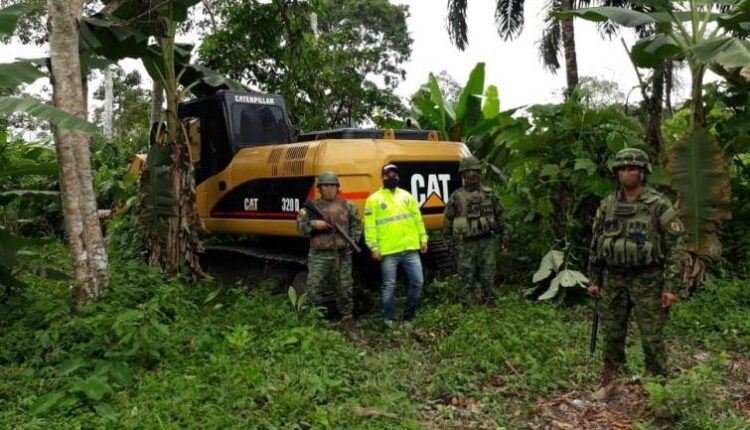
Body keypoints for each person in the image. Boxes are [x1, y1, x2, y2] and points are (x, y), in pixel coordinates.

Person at [587, 148, 685, 400]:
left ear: (643, 172)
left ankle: (659, 389)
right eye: (621, 168)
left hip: (648, 279)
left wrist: (671, 287)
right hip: (614, 278)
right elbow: (597, 242)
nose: (626, 173)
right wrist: (594, 279)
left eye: (632, 168)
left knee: (652, 336)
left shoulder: (658, 204)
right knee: (612, 333)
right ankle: (610, 382)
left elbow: (675, 246)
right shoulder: (608, 204)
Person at [297, 171, 362, 337]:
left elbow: (356, 225)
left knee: (345, 288)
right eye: (325, 186)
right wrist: (314, 224)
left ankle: (347, 320)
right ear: (320, 188)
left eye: (333, 185)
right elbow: (300, 228)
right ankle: (311, 321)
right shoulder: (311, 208)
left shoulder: (348, 205)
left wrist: (351, 241)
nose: (329, 189)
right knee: (314, 288)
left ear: (337, 188)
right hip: (320, 255)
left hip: (342, 254)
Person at [364, 164, 429, 324]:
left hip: (410, 249)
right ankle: (390, 319)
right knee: (389, 287)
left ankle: (408, 317)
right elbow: (370, 227)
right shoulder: (374, 200)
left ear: (398, 177)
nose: (391, 177)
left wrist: (423, 239)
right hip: (388, 252)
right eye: (388, 175)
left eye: (394, 174)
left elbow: (417, 219)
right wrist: (374, 247)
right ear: (382, 177)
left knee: (418, 282)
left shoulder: (407, 196)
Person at [443, 155, 505, 304]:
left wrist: (504, 235)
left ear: (479, 173)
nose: (472, 174)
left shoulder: (489, 194)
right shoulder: (456, 196)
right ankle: (467, 303)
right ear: (463, 174)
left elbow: (499, 215)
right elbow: (448, 220)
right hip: (466, 243)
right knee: (466, 274)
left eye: (475, 171)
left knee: (488, 273)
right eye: (468, 171)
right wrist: (449, 242)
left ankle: (489, 300)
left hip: (487, 240)